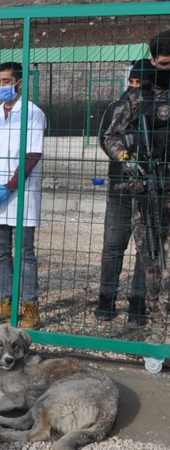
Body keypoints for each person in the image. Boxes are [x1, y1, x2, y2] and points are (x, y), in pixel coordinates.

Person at [103, 30, 170, 340]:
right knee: (152, 261)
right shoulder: (138, 97)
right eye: (162, 63)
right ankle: (158, 330)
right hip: (151, 191)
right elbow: (110, 135)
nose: (164, 69)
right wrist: (129, 160)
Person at [0, 61, 46, 330]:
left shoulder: (32, 113)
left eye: (7, 81)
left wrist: (10, 186)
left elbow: (32, 155)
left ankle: (30, 307)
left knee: (25, 253)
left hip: (21, 194)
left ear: (20, 83)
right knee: (0, 252)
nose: (2, 86)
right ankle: (5, 302)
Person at [95, 59, 154, 323]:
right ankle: (106, 298)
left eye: (139, 83)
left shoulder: (157, 108)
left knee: (146, 249)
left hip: (150, 192)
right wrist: (126, 158)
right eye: (131, 82)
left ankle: (138, 302)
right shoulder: (116, 108)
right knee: (113, 247)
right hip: (120, 189)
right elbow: (105, 139)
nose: (134, 88)